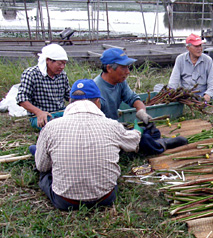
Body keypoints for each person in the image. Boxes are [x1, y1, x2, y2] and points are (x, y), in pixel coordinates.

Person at [34, 79, 143, 210]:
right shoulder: (112, 125)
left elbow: (42, 166)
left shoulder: (51, 127)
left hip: (66, 201)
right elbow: (133, 142)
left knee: (44, 174)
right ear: (98, 102)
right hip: (105, 198)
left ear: (70, 101)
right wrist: (137, 130)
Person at [94, 48, 187, 154]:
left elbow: (133, 99)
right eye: (123, 67)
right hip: (106, 134)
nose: (128, 72)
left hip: (117, 128)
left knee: (152, 131)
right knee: (143, 140)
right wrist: (120, 129)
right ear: (109, 68)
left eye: (128, 67)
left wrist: (141, 112)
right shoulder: (96, 91)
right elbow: (96, 126)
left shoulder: (119, 81)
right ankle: (161, 144)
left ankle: (151, 142)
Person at [16, 44, 70, 129]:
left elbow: (69, 95)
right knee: (52, 126)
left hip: (60, 113)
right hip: (43, 116)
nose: (62, 67)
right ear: (48, 60)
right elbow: (21, 99)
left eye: (64, 64)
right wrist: (39, 112)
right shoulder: (31, 74)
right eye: (59, 64)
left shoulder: (62, 75)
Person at [168, 33, 213, 102]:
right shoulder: (180, 59)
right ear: (188, 48)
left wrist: (208, 95)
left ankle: (201, 100)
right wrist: (171, 93)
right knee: (158, 87)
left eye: (200, 46)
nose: (199, 49)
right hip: (185, 94)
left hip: (202, 93)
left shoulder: (208, 60)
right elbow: (174, 81)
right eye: (196, 46)